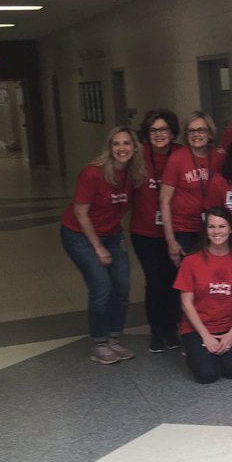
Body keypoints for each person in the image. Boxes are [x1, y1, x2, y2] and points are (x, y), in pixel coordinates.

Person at [61, 126, 145, 365]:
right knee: (102, 286)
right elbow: (80, 212)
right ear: (109, 148)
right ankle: (99, 342)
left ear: (134, 147)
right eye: (116, 144)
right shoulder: (93, 173)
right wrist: (98, 248)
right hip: (78, 234)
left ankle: (113, 338)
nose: (122, 148)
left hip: (112, 234)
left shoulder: (132, 173)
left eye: (126, 143)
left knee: (122, 286)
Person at [174, 206, 232, 384]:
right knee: (207, 375)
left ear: (230, 229)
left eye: (222, 226)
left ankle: (220, 351)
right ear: (205, 230)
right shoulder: (191, 261)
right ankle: (193, 351)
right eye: (211, 227)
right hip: (198, 328)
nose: (217, 232)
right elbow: (186, 303)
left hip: (229, 326)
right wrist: (206, 336)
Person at [131, 109, 181, 353]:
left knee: (173, 282)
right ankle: (156, 331)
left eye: (163, 130)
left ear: (172, 133)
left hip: (175, 229)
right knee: (155, 281)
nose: (158, 135)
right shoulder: (138, 155)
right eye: (153, 130)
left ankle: (172, 330)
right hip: (145, 232)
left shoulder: (181, 153)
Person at [161, 112, 224, 265]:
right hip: (184, 229)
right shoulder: (177, 158)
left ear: (210, 134)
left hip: (213, 228)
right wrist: (171, 241)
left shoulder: (219, 158)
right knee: (188, 277)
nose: (196, 134)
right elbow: (164, 201)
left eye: (201, 130)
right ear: (186, 134)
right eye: (192, 131)